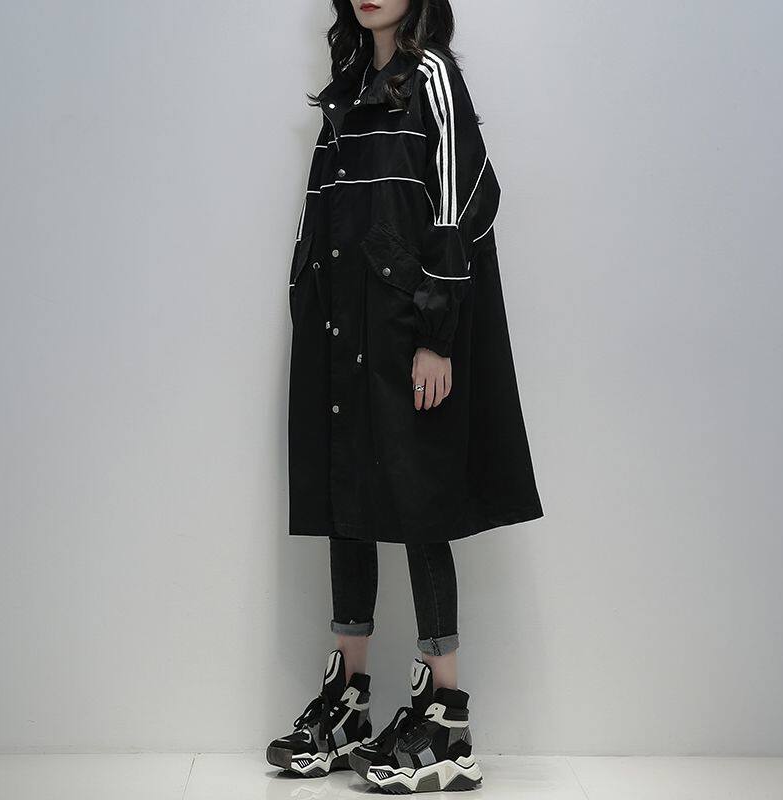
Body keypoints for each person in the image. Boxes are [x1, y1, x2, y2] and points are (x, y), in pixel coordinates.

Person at [268, 0, 543, 792]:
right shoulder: (348, 89)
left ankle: (446, 717)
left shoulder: (434, 76)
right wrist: (306, 298)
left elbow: (459, 206)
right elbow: (324, 213)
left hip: (403, 333)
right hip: (339, 327)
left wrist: (436, 334)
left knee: (422, 504)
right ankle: (348, 699)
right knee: (346, 501)